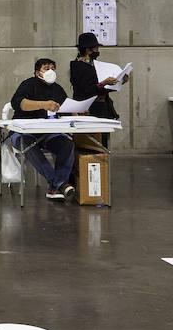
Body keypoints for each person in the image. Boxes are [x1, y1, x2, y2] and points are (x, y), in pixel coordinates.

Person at [8, 58, 77, 202]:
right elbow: (18, 103)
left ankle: (55, 186)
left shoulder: (57, 89)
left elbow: (65, 109)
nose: (51, 71)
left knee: (67, 144)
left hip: (47, 133)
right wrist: (42, 105)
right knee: (26, 144)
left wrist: (77, 111)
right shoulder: (28, 85)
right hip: (23, 132)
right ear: (37, 73)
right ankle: (59, 183)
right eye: (46, 68)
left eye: (53, 68)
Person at [70, 32, 119, 120]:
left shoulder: (93, 65)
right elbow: (85, 90)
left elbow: (99, 87)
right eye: (96, 48)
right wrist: (103, 83)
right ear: (88, 50)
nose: (98, 51)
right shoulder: (79, 67)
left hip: (102, 107)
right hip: (88, 109)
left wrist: (119, 80)